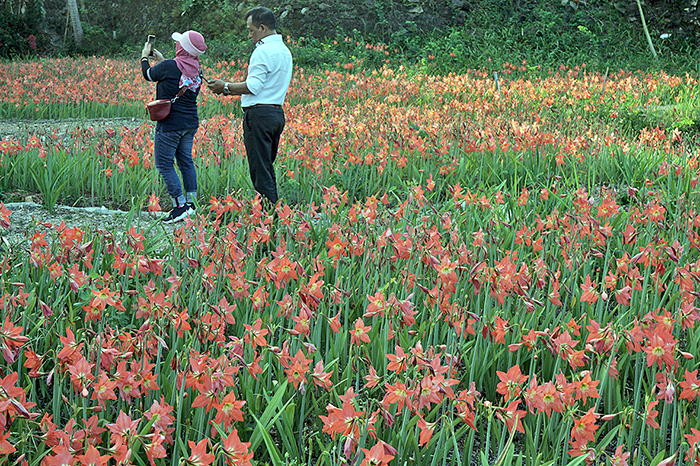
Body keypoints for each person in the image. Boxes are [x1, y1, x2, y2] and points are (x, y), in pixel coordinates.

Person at [208, 7, 292, 207]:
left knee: (260, 170)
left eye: (251, 30)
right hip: (276, 114)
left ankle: (268, 220)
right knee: (266, 167)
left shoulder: (262, 51)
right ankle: (271, 216)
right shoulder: (284, 50)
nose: (249, 35)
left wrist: (225, 87)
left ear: (262, 28)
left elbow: (253, 87)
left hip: (259, 116)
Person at [141, 30, 207, 223]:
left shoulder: (169, 67)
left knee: (163, 164)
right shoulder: (197, 70)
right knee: (185, 160)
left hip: (170, 123)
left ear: (181, 48)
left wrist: (145, 57)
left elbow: (148, 74)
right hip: (190, 123)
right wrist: (162, 60)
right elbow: (177, 73)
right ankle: (191, 203)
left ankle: (179, 207)